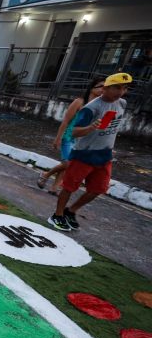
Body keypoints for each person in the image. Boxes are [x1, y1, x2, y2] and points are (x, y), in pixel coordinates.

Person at [48, 72, 132, 232]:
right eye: (116, 87)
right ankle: (57, 215)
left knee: (98, 189)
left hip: (104, 156)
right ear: (106, 88)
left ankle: (71, 211)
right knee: (69, 187)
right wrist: (89, 128)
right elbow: (73, 131)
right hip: (83, 155)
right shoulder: (91, 108)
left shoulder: (122, 104)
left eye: (124, 88)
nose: (120, 92)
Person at [37, 77, 104, 193]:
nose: (103, 89)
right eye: (101, 86)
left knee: (67, 164)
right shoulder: (79, 102)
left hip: (82, 139)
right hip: (69, 136)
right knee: (68, 163)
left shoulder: (100, 106)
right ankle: (46, 174)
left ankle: (54, 188)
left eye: (106, 87)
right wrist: (58, 138)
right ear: (92, 88)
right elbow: (66, 121)